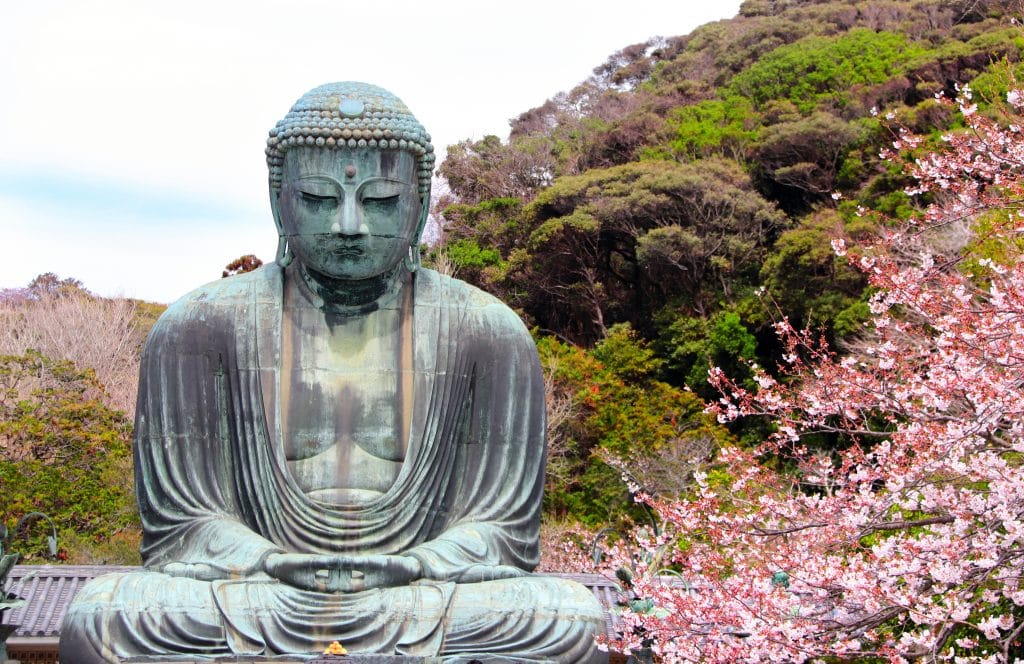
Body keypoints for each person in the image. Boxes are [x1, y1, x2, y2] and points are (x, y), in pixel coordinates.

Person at [59, 82, 608, 663]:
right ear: (279, 200)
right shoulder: (198, 326)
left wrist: (419, 563)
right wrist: (267, 559)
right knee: (105, 616)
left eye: (379, 201)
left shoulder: (488, 332)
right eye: (320, 198)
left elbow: (502, 529)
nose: (349, 225)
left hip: (420, 596)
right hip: (260, 592)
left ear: (419, 206)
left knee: (568, 619)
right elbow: (181, 523)